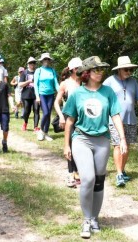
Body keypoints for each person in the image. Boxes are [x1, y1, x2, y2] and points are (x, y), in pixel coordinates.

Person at [63, 56, 126, 239]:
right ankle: (86, 219)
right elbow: (69, 121)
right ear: (87, 73)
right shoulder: (77, 93)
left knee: (99, 181)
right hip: (81, 139)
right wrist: (66, 145)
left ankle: (95, 218)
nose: (100, 73)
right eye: (96, 70)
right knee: (88, 179)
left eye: (101, 70)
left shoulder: (108, 92)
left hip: (102, 141)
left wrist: (121, 139)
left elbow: (115, 116)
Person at [104, 56, 138, 187]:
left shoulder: (133, 82)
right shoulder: (109, 81)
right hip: (114, 120)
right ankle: (119, 174)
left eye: (130, 69)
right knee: (118, 145)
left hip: (131, 119)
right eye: (126, 69)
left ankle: (122, 170)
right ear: (119, 70)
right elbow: (101, 97)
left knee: (127, 146)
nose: (129, 72)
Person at [55, 57, 82, 187]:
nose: (80, 70)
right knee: (70, 145)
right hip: (68, 116)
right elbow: (56, 102)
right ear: (72, 70)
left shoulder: (84, 82)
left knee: (80, 145)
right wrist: (60, 116)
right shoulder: (65, 84)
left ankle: (77, 171)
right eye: (78, 68)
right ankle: (70, 173)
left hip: (82, 117)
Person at [34, 52, 59, 142]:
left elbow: (56, 83)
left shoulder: (52, 71)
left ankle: (46, 132)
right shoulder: (38, 70)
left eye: (48, 59)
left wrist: (60, 92)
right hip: (42, 94)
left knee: (48, 114)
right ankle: (40, 131)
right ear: (42, 60)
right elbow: (36, 84)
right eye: (45, 59)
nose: (46, 61)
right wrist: (37, 96)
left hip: (51, 94)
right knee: (46, 113)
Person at [19, 57, 39, 132]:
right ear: (28, 64)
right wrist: (29, 81)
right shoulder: (24, 73)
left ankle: (36, 127)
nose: (32, 64)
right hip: (26, 95)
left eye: (34, 63)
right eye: (31, 63)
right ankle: (25, 123)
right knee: (27, 110)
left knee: (36, 110)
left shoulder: (37, 72)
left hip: (36, 95)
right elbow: (20, 84)